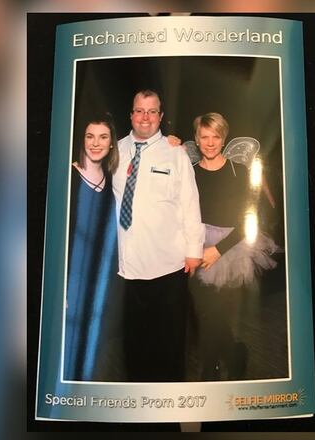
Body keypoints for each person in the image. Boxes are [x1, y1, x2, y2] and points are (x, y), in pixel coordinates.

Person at [112, 89, 205, 382]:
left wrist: (194, 250)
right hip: (128, 265)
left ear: (161, 117)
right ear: (131, 114)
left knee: (169, 342)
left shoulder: (174, 152)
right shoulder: (114, 151)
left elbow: (190, 203)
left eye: (152, 111)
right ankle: (139, 399)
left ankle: (171, 398)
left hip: (169, 263)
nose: (145, 117)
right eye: (139, 110)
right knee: (134, 342)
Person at [189, 112, 282, 380]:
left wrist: (217, 250)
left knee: (213, 314)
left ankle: (209, 371)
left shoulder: (239, 170)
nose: (209, 143)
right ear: (196, 139)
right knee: (207, 313)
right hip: (198, 245)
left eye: (215, 137)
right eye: (204, 137)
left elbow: (248, 218)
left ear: (223, 138)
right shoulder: (190, 172)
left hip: (232, 248)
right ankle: (233, 354)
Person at [63, 114, 121, 381]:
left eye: (103, 137)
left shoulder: (112, 183)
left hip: (95, 282)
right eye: (90, 136)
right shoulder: (67, 176)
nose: (96, 143)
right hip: (67, 279)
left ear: (111, 144)